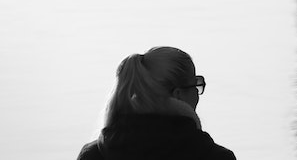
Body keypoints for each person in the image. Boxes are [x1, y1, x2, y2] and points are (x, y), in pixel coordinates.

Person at [77, 46, 236, 160]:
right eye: (195, 84)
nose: (198, 93)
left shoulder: (94, 155)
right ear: (178, 94)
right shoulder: (215, 157)